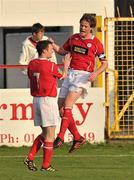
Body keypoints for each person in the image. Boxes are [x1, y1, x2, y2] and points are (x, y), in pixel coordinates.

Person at [52, 13, 108, 153]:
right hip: (70, 74)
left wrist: (96, 73)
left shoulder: (96, 43)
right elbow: (62, 51)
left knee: (68, 104)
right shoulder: (73, 38)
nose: (82, 28)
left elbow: (105, 63)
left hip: (83, 76)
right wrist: (52, 45)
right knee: (60, 108)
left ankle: (60, 137)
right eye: (81, 25)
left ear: (91, 28)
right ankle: (77, 137)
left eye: (85, 26)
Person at [24, 40, 71, 172]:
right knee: (50, 135)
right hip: (47, 100)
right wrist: (66, 64)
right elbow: (63, 76)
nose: (52, 51)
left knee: (45, 134)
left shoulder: (32, 64)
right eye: (51, 49)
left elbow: (30, 76)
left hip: (36, 100)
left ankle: (30, 157)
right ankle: (45, 165)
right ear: (44, 50)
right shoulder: (51, 65)